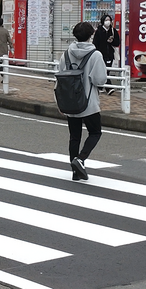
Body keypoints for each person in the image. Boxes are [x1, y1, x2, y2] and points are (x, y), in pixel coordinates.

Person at [58, 22, 108, 181]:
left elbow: (59, 77)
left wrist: (59, 101)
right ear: (91, 35)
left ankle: (75, 172)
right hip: (89, 103)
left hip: (70, 101)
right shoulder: (95, 55)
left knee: (74, 136)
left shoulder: (66, 54)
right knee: (95, 132)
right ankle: (80, 159)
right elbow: (99, 80)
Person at [92, 14, 121, 95]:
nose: (108, 22)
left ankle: (100, 86)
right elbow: (95, 43)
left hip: (110, 54)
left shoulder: (113, 31)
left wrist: (112, 41)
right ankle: (109, 88)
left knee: (106, 71)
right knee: (104, 70)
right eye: (106, 20)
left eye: (109, 20)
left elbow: (117, 43)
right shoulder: (98, 31)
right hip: (100, 54)